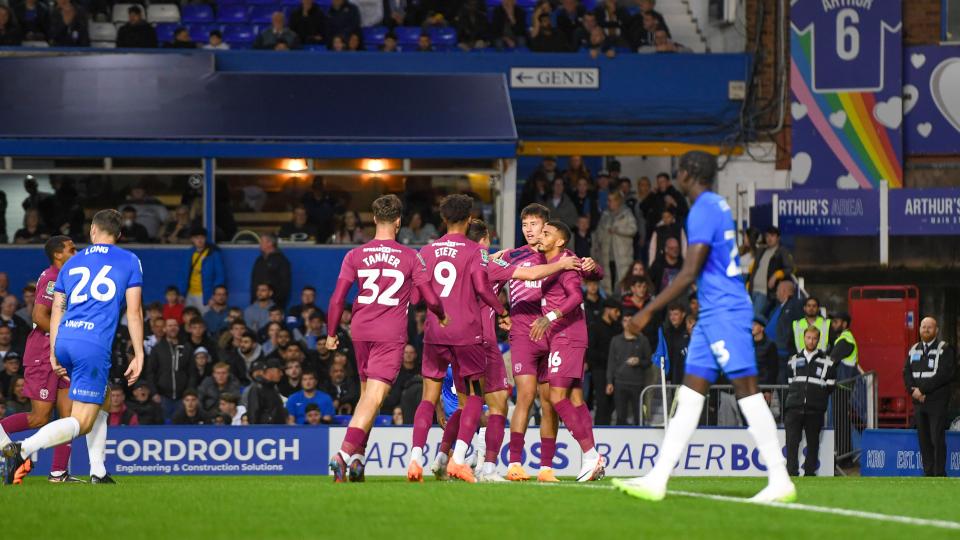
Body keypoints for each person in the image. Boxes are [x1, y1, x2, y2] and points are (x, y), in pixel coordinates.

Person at [613, 151, 795, 502]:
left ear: (689, 173)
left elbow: (688, 272)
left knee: (747, 390)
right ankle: (658, 478)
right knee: (690, 395)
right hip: (712, 313)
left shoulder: (703, 209)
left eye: (679, 169)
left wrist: (648, 310)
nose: (676, 175)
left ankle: (779, 477)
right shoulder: (715, 205)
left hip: (726, 311)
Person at [3, 209, 145, 486]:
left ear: (93, 230)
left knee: (103, 398)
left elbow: (57, 310)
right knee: (81, 421)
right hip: (92, 344)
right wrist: (139, 354)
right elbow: (134, 311)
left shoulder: (71, 263)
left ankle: (98, 471)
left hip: (65, 340)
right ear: (119, 234)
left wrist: (54, 351)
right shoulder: (129, 260)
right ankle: (22, 450)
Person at [433, 218, 577, 483]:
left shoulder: (458, 262)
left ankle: (442, 456)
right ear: (484, 240)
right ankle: (484, 467)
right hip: (483, 341)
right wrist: (562, 264)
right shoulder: (489, 264)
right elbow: (530, 274)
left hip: (454, 339)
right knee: (498, 405)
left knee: (466, 405)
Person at [323, 195, 450, 480]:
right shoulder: (410, 256)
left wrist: (331, 333)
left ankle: (358, 459)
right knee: (375, 397)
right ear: (399, 222)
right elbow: (430, 297)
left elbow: (337, 298)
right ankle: (343, 454)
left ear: (373, 219)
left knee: (368, 397)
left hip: (360, 330)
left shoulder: (354, 255)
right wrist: (441, 314)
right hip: (389, 334)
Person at [406, 195, 510, 484]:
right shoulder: (475, 250)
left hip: (434, 334)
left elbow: (415, 297)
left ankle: (415, 459)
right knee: (474, 396)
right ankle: (459, 459)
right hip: (466, 335)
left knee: (428, 398)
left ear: (443, 218)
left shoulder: (426, 251)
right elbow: (483, 288)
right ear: (469, 218)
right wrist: (503, 312)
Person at [499, 204, 601, 482]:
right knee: (525, 396)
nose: (529, 230)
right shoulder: (513, 255)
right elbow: (487, 276)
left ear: (547, 227)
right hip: (525, 335)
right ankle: (515, 463)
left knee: (551, 402)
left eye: (535, 225)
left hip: (554, 335)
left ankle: (546, 468)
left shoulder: (561, 255)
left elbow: (591, 274)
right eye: (525, 225)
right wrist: (500, 313)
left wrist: (593, 267)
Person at [528, 221, 606, 480]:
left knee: (556, 397)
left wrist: (549, 317)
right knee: (575, 399)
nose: (541, 236)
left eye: (546, 233)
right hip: (567, 337)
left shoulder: (566, 264)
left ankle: (591, 455)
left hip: (567, 336)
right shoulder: (553, 260)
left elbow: (576, 297)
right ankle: (591, 458)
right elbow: (595, 271)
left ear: (560, 241)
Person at [0, 236, 80, 482]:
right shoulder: (51, 278)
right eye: (72, 249)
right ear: (58, 255)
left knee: (68, 417)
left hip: (65, 353)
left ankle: (58, 472)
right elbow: (39, 315)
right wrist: (66, 336)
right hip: (44, 353)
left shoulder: (71, 277)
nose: (76, 252)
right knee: (40, 417)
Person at [903, 317, 956, 477]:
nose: (926, 329)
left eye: (929, 327)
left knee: (936, 438)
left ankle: (939, 473)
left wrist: (922, 390)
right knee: (924, 439)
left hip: (936, 401)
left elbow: (944, 375)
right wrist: (913, 391)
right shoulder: (914, 349)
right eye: (923, 326)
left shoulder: (945, 349)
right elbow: (906, 373)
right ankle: (928, 473)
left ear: (936, 330)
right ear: (919, 329)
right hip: (919, 402)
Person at [784, 327, 836, 476]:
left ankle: (809, 473)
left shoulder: (828, 362)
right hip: (794, 407)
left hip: (815, 409)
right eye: (808, 337)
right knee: (792, 442)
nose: (811, 341)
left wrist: (817, 398)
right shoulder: (793, 360)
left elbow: (831, 386)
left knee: (813, 444)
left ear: (818, 340)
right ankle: (791, 472)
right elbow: (790, 382)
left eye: (814, 338)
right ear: (804, 338)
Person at [606, 312, 652, 426]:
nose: (627, 324)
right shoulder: (615, 340)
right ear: (622, 323)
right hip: (620, 383)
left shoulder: (643, 340)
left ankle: (640, 436)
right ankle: (620, 437)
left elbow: (649, 361)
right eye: (625, 320)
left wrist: (639, 361)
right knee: (620, 416)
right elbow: (611, 362)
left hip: (637, 383)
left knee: (639, 416)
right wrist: (609, 382)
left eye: (630, 321)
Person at [593, 191, 637, 295]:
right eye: (608, 200)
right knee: (608, 282)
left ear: (618, 201)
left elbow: (633, 230)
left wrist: (618, 230)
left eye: (611, 200)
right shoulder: (605, 215)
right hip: (607, 256)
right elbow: (598, 233)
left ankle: (623, 299)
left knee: (623, 281)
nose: (608, 203)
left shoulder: (626, 214)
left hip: (622, 256)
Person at [145, 318, 190, 420]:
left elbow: (192, 372)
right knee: (165, 427)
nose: (173, 328)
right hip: (163, 397)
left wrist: (188, 393)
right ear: (164, 329)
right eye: (170, 326)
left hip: (182, 398)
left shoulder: (186, 347)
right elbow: (150, 373)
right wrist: (154, 393)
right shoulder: (157, 349)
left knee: (181, 427)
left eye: (175, 325)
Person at [746, 226, 794, 318]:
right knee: (748, 316)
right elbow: (754, 268)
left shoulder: (781, 251)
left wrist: (776, 275)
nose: (769, 238)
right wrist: (748, 282)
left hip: (765, 293)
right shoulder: (761, 250)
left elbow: (790, 268)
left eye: (772, 236)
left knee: (754, 318)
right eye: (767, 236)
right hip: (752, 290)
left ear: (778, 237)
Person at [588, 297, 621, 425]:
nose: (618, 314)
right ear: (607, 310)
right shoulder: (595, 327)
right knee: (602, 402)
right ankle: (600, 429)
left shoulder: (617, 327)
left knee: (614, 402)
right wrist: (608, 358)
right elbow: (590, 350)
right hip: (600, 370)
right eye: (616, 311)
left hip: (615, 370)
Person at [181, 227, 225, 312]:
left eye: (202, 237)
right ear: (192, 239)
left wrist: (214, 296)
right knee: (189, 318)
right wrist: (182, 294)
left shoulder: (214, 253)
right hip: (189, 295)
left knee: (204, 319)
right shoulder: (189, 253)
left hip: (206, 295)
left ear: (205, 238)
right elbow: (183, 275)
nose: (199, 240)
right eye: (196, 238)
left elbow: (220, 276)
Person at [250, 233, 292, 309]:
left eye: (262, 241)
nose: (260, 244)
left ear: (270, 243)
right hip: (257, 304)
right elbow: (254, 282)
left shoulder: (281, 261)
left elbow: (285, 285)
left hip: (274, 306)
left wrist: (276, 303)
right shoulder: (259, 260)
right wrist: (253, 301)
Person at [246, 358, 286, 424]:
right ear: (270, 371)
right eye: (279, 371)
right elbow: (253, 414)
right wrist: (253, 429)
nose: (282, 374)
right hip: (265, 429)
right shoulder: (257, 388)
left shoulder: (273, 388)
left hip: (276, 428)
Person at [828, 312, 861, 380]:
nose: (833, 324)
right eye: (832, 322)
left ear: (844, 324)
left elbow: (831, 361)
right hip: (846, 380)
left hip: (844, 382)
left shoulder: (845, 340)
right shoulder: (845, 337)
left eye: (836, 322)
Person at [753, 316, 779, 386]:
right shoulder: (748, 344)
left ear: (762, 328)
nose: (752, 327)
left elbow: (773, 369)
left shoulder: (770, 345)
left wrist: (768, 389)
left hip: (763, 385)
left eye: (755, 325)